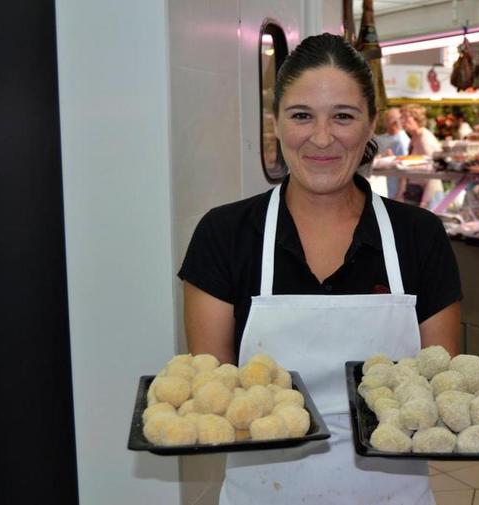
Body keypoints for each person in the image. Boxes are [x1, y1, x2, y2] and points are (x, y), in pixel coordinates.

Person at [178, 33, 462, 505]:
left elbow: (441, 382)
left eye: (344, 117)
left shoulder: (418, 236)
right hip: (262, 494)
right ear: (275, 123)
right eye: (301, 115)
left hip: (391, 493)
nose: (323, 138)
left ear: (371, 123)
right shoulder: (224, 234)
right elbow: (216, 392)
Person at [397, 104, 445, 209]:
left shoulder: (425, 138)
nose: (402, 121)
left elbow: (435, 168)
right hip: (416, 192)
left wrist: (425, 202)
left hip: (428, 194)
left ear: (416, 119)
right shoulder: (414, 137)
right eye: (401, 118)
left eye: (405, 117)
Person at [374, 107, 410, 198]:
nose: (385, 122)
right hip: (386, 188)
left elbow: (405, 167)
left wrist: (400, 193)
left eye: (387, 119)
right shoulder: (385, 137)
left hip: (396, 190)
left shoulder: (402, 140)